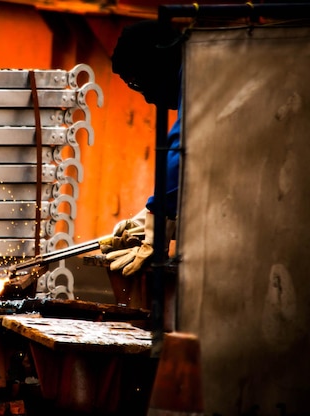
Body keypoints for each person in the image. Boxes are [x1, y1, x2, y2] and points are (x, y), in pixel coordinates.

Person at [103, 20, 184, 276]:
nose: (147, 98)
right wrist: (143, 221)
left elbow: (182, 153)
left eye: (138, 83)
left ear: (155, 65)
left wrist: (157, 220)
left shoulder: (200, 79)